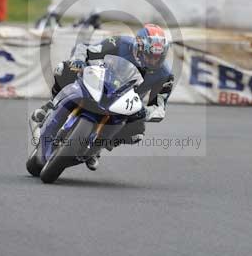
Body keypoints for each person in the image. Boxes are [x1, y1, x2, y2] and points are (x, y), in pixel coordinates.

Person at [32, 24, 175, 171]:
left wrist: (145, 112)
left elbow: (159, 108)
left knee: (136, 133)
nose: (153, 61)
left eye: (157, 57)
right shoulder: (120, 43)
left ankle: (97, 148)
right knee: (65, 69)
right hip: (102, 83)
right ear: (138, 47)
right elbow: (85, 48)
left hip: (126, 103)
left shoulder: (165, 75)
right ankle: (50, 105)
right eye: (149, 55)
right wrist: (79, 60)